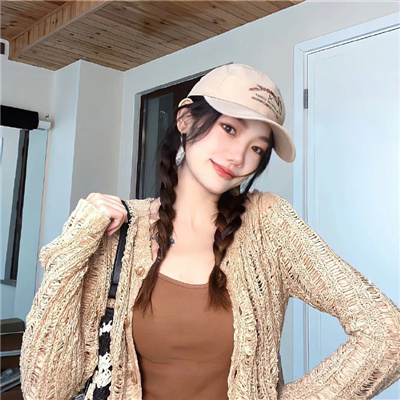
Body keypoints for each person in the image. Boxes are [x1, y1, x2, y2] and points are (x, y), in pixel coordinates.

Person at [20, 64, 400, 400]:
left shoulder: (268, 225)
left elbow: (387, 334)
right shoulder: (119, 230)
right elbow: (46, 388)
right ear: (186, 120)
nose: (239, 158)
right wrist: (78, 238)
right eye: (229, 128)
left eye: (257, 148)